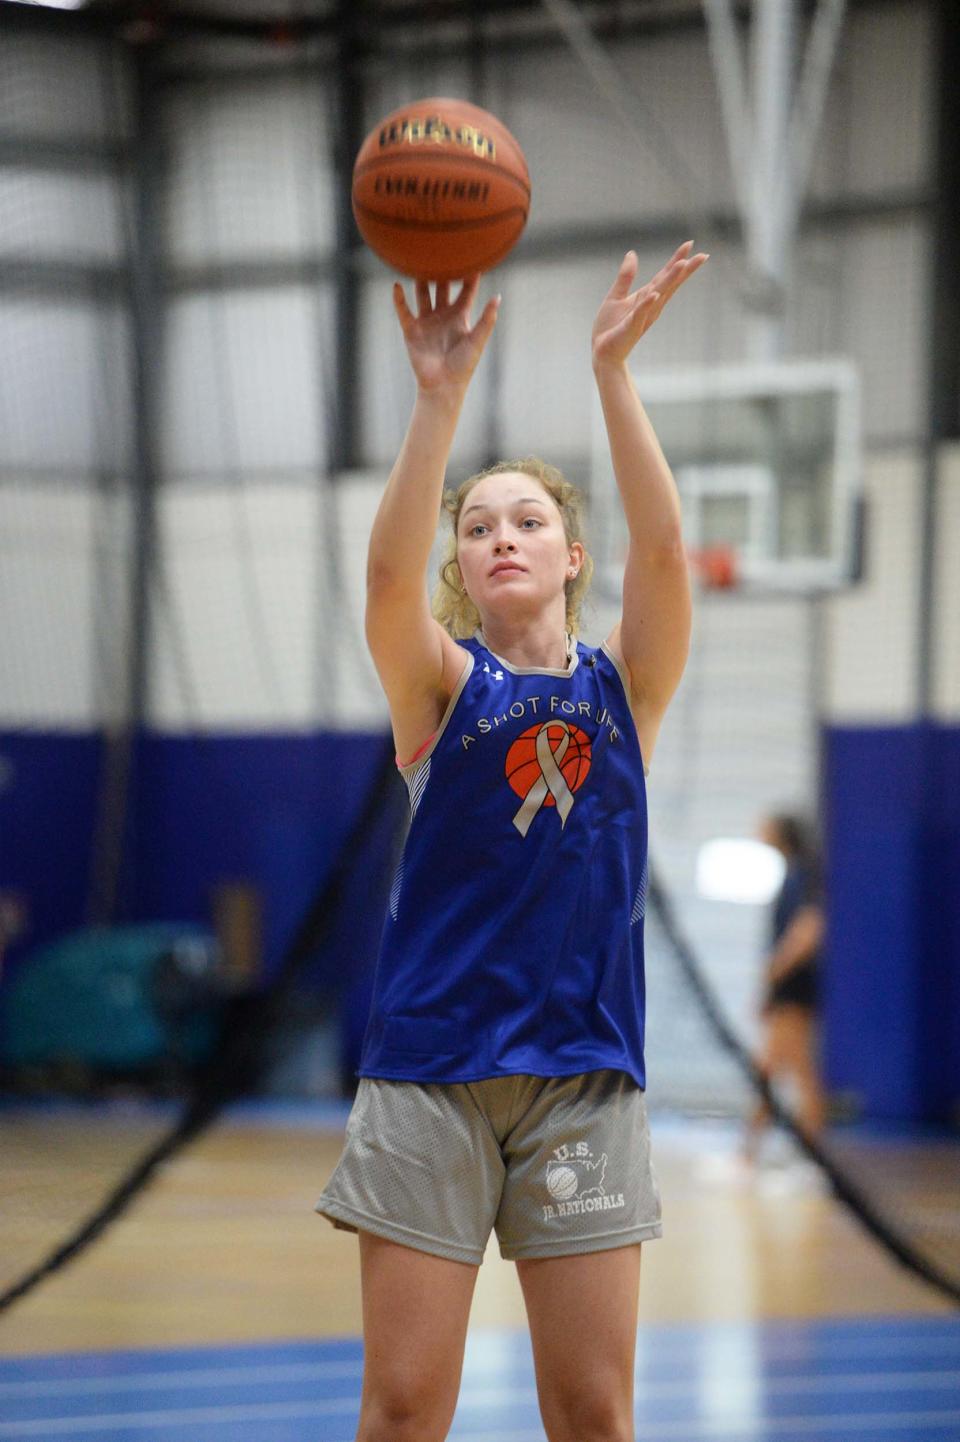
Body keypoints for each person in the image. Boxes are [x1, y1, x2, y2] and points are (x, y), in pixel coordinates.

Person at [317, 240, 708, 1442]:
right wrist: (438, 401)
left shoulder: (622, 691)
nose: (501, 536)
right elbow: (385, 580)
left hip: (581, 1078)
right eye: (477, 526)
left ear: (570, 555)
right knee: (402, 1408)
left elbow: (668, 554)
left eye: (528, 518)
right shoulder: (442, 690)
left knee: (593, 1410)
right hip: (432, 1070)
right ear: (466, 571)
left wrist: (614, 377)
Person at [746, 812, 827, 1160]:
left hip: (795, 989)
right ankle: (747, 1156)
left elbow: (810, 927)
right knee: (769, 1071)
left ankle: (816, 1162)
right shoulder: (792, 873)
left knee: (797, 1075)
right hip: (786, 991)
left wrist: (775, 970)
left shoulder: (802, 873)